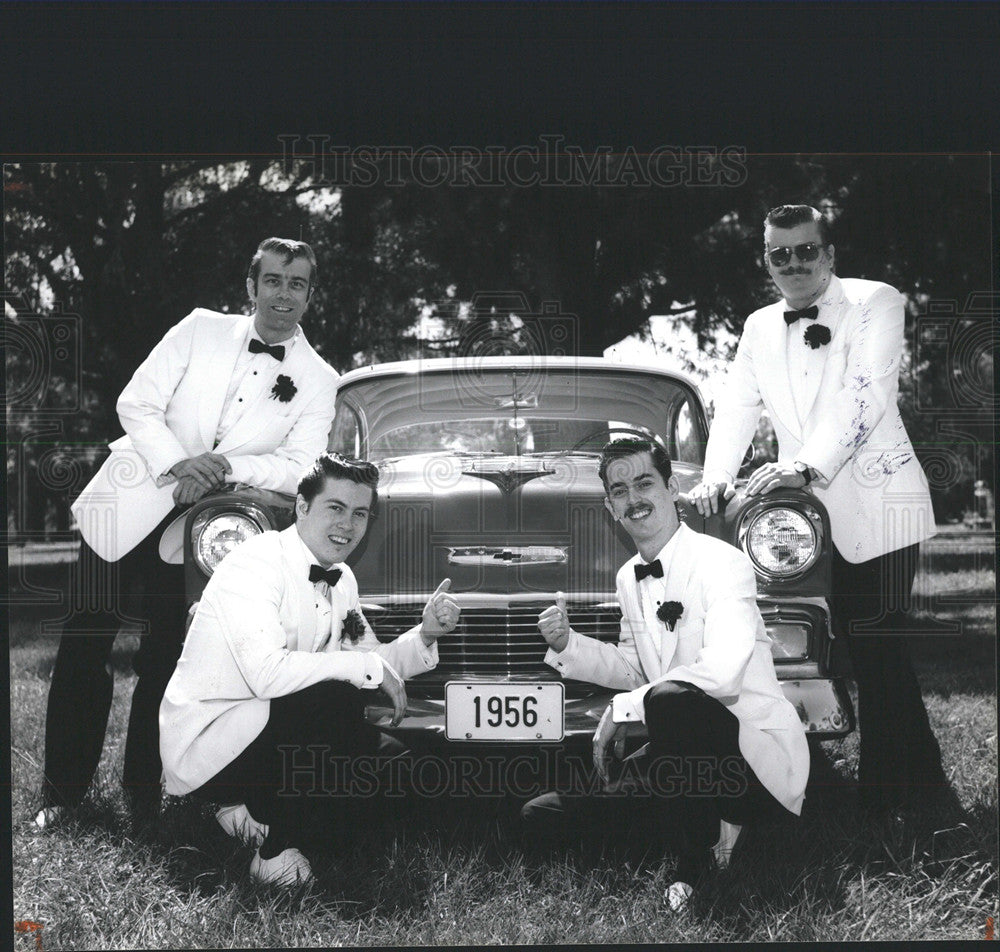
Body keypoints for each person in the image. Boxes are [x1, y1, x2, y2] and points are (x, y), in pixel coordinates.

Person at [36, 238, 340, 827]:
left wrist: (226, 469)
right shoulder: (199, 328)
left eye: (297, 284)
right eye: (273, 280)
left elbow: (301, 466)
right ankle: (61, 797)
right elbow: (137, 403)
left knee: (165, 663)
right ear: (251, 287)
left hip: (202, 537)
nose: (284, 294)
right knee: (83, 651)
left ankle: (143, 793)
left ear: (308, 295)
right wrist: (179, 462)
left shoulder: (319, 378)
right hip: (123, 506)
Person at [690, 204, 946, 815]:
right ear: (767, 262)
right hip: (795, 524)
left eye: (807, 250)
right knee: (817, 646)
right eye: (780, 253)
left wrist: (805, 464)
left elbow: (869, 393)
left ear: (829, 255)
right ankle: (914, 771)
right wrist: (716, 479)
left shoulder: (875, 301)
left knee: (873, 640)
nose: (794, 262)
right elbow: (736, 409)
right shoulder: (757, 327)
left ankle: (887, 794)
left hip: (879, 502)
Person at [525, 439, 809, 910]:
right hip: (679, 758)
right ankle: (696, 829)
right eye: (620, 491)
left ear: (672, 487)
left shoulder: (724, 563)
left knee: (670, 701)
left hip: (752, 766)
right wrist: (568, 645)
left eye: (644, 483)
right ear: (610, 506)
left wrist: (625, 707)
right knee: (541, 816)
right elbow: (635, 667)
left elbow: (723, 672)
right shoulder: (627, 576)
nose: (634, 498)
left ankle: (692, 863)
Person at [159, 453, 460, 886]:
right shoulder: (255, 562)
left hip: (275, 725)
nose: (348, 525)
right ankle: (272, 851)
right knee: (333, 697)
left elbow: (370, 658)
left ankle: (248, 813)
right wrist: (361, 668)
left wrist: (425, 635)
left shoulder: (342, 577)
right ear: (301, 506)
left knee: (400, 771)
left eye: (360, 513)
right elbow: (268, 673)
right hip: (213, 741)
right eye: (334, 508)